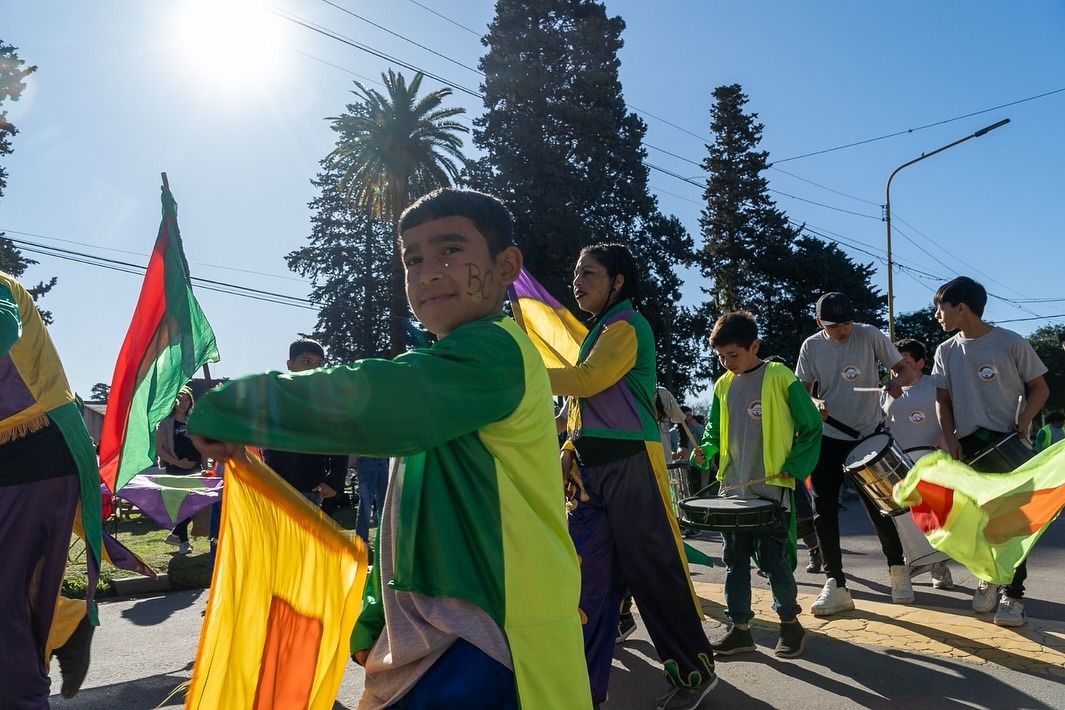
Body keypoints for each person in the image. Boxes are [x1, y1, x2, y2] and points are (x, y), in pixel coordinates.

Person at [187, 188, 590, 709]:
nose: (428, 273)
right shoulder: (444, 372)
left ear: (506, 266)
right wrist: (377, 613)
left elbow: (373, 399)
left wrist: (236, 405)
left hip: (492, 634)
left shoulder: (496, 351)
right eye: (413, 259)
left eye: (450, 250)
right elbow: (408, 515)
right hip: (441, 635)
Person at [549, 243, 716, 710]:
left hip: (631, 464)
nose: (577, 281)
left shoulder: (627, 324)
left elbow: (587, 380)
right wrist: (568, 446)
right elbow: (578, 408)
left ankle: (694, 673)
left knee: (653, 571)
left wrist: (518, 372)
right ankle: (580, 688)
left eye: (589, 273)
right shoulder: (598, 330)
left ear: (617, 281)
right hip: (589, 471)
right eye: (576, 273)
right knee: (584, 577)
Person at [690, 312, 821, 658]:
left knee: (775, 563)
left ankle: (790, 625)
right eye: (721, 356)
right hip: (732, 491)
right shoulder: (722, 385)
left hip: (771, 492)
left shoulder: (779, 375)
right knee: (734, 562)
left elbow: (811, 426)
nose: (726, 362)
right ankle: (740, 630)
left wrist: (795, 466)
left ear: (754, 346)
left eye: (733, 354)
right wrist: (705, 450)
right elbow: (713, 431)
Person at [1, 271, 102, 704]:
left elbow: (4, 326)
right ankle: (65, 621)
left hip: (35, 454)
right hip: (20, 459)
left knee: (5, 600)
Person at [931, 276, 1049, 627]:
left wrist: (1025, 419)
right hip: (968, 447)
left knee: (1012, 524)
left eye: (941, 307)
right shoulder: (945, 351)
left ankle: (1013, 597)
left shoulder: (1010, 341)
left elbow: (1040, 388)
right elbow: (942, 400)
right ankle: (988, 577)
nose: (937, 314)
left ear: (961, 308)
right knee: (979, 522)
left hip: (1009, 443)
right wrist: (949, 437)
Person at [794, 292, 918, 614]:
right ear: (819, 322)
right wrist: (814, 403)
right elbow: (802, 394)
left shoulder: (869, 334)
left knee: (880, 507)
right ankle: (835, 583)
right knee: (823, 510)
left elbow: (906, 371)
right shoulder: (811, 346)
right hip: (829, 435)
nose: (843, 330)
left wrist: (897, 382)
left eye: (847, 323)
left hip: (867, 434)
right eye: (835, 326)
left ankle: (897, 570)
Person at [880, 338, 953, 589]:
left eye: (905, 362)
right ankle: (914, 560)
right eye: (894, 364)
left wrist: (946, 436)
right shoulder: (885, 391)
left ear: (921, 363)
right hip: (900, 462)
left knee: (935, 515)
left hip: (933, 459)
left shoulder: (935, 385)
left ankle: (939, 565)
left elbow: (953, 411)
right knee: (905, 516)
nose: (898, 370)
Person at [261, 339, 348, 510]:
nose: (313, 368)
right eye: (306, 361)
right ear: (290, 364)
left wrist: (334, 480)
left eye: (319, 363)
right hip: (273, 485)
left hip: (311, 489)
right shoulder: (273, 396)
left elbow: (340, 441)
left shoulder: (326, 402)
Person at [156, 385, 205, 554]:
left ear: (191, 402)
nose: (182, 403)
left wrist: (206, 468)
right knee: (182, 507)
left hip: (196, 469)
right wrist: (178, 463)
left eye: (186, 400)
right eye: (179, 400)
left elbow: (203, 448)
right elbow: (159, 450)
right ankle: (184, 542)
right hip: (175, 470)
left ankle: (176, 534)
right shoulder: (165, 423)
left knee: (196, 505)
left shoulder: (195, 422)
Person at [354, 454, 389, 544]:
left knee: (384, 502)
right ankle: (362, 541)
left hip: (383, 457)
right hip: (367, 457)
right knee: (366, 502)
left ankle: (384, 539)